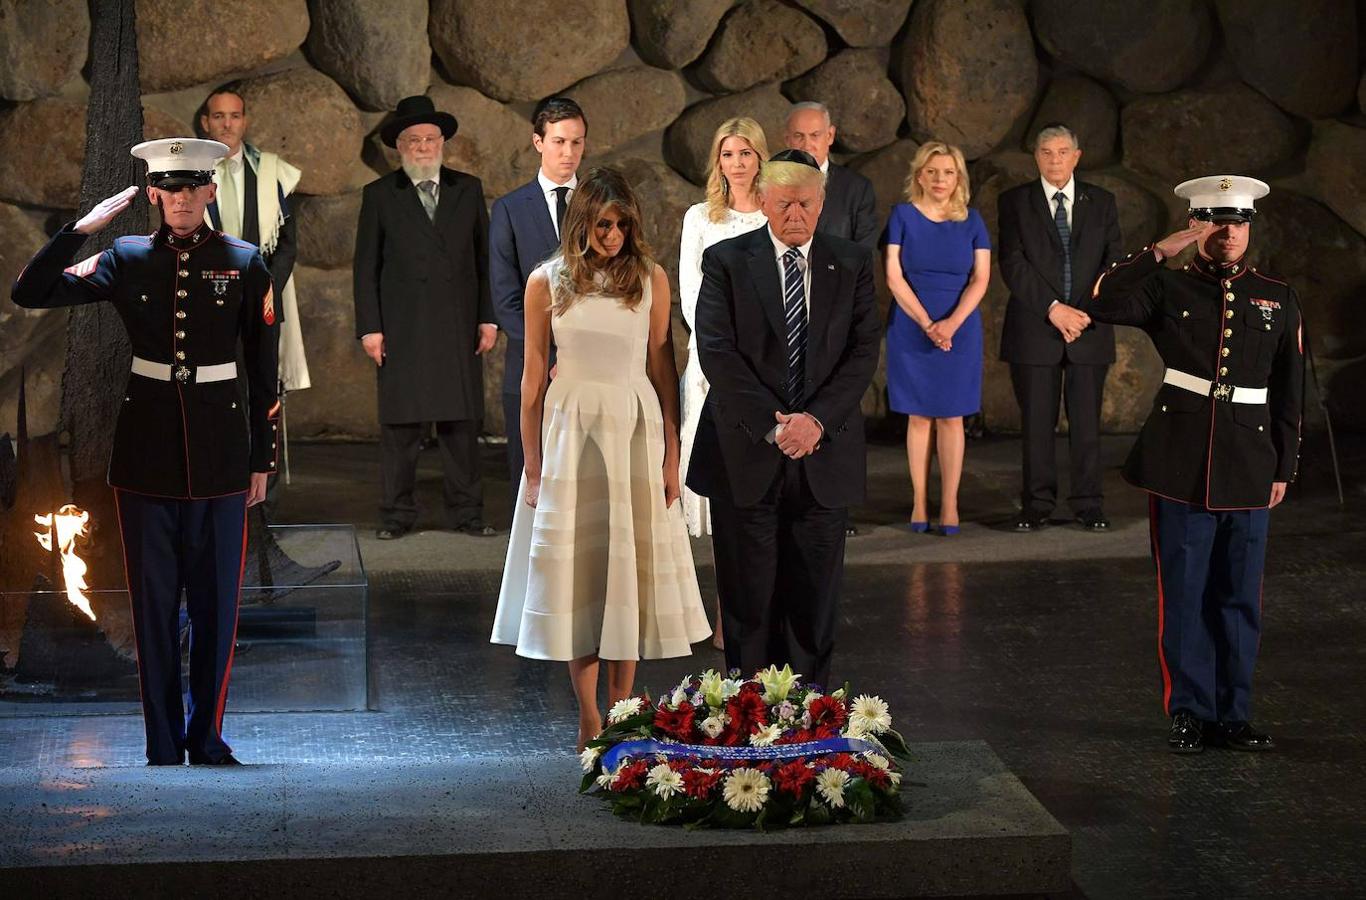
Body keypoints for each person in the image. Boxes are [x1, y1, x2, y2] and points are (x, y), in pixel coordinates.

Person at [12, 138, 279, 766]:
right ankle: (161, 741)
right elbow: (30, 291)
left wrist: (261, 459)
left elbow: (264, 373)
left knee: (216, 607)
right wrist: (81, 229)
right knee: (154, 607)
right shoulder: (126, 257)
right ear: (154, 194)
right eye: (171, 189)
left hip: (220, 453)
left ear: (211, 191)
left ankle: (206, 736)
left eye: (194, 187)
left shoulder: (244, 263)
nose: (182, 199)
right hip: (146, 453)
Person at [491, 168, 710, 751]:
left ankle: (624, 708)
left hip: (633, 431)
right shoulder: (548, 281)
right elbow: (532, 379)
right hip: (571, 433)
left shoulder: (650, 279)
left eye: (622, 224)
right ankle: (589, 715)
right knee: (579, 579)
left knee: (627, 576)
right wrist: (533, 466)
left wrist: (671, 454)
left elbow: (663, 370)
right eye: (603, 224)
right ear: (582, 222)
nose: (613, 234)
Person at [1089, 175, 1303, 754]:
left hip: (1252, 464)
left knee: (1239, 598)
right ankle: (1189, 711)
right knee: (1183, 594)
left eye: (1238, 222)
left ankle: (1233, 714)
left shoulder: (1276, 296)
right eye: (1215, 221)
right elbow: (1102, 300)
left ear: (1249, 226)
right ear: (1197, 223)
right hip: (1179, 462)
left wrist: (1284, 467)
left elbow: (1290, 390)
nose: (1229, 232)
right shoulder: (1167, 288)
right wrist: (1161, 250)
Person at [687, 149, 880, 690]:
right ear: (765, 203)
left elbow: (863, 352)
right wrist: (775, 424)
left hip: (825, 451)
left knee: (815, 598)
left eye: (807, 204)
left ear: (822, 205)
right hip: (746, 451)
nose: (796, 214)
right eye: (785, 203)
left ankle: (809, 719)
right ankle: (751, 718)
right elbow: (717, 352)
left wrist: (814, 421)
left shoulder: (853, 261)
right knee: (749, 601)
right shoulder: (727, 261)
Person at [354, 95, 498, 540]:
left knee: (460, 423)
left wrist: (488, 318)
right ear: (399, 147)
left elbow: (484, 259)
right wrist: (370, 327)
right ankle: (397, 515)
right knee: (401, 426)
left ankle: (467, 513)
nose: (422, 146)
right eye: (412, 140)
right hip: (403, 326)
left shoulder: (467, 189)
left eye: (430, 138)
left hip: (457, 324)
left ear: (442, 143)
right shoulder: (380, 196)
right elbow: (366, 267)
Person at [998, 124, 1122, 532]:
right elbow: (1013, 264)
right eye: (1046, 152)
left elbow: (1113, 264)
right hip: (1036, 327)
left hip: (1088, 327)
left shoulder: (1102, 203)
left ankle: (1088, 503)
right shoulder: (1014, 203)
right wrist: (1054, 310)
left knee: (1087, 424)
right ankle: (1036, 504)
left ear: (1077, 156)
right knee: (1036, 424)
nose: (1054, 159)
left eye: (1062, 151)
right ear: (1035, 156)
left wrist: (1080, 313)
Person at [678, 116, 769, 650]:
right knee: (718, 487)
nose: (737, 162)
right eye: (728, 153)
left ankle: (756, 612)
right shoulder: (699, 219)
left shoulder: (774, 215)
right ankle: (721, 614)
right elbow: (692, 293)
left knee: (757, 484)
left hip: (765, 366)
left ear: (760, 157)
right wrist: (722, 349)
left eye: (746, 152)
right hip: (712, 364)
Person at [883, 141, 991, 534]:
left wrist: (949, 324)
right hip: (912, 325)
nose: (940, 179)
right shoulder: (902, 216)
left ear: (958, 177)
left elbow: (981, 279)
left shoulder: (973, 221)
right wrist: (928, 323)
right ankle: (917, 503)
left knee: (951, 418)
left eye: (947, 172)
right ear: (919, 176)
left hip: (959, 328)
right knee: (918, 417)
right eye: (932, 172)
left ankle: (949, 505)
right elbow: (893, 276)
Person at [490, 97, 587, 490]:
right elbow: (506, 297)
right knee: (532, 478)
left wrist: (581, 354)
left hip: (594, 365)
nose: (568, 152)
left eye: (577, 143)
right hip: (532, 365)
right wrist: (550, 355)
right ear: (538, 143)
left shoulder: (599, 205)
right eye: (560, 141)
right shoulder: (510, 208)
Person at [199, 84, 309, 405]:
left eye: (235, 116)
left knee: (261, 389)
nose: (227, 124)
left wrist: (266, 288)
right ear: (206, 123)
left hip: (263, 298)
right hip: (210, 298)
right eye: (219, 116)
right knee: (215, 390)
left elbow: (287, 244)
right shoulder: (191, 174)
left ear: (244, 122)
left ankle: (261, 455)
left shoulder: (272, 173)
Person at [783, 101, 878, 250]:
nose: (807, 145)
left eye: (815, 135)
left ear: (830, 135)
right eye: (798, 136)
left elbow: (864, 254)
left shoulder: (857, 189)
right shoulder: (769, 185)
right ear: (787, 140)